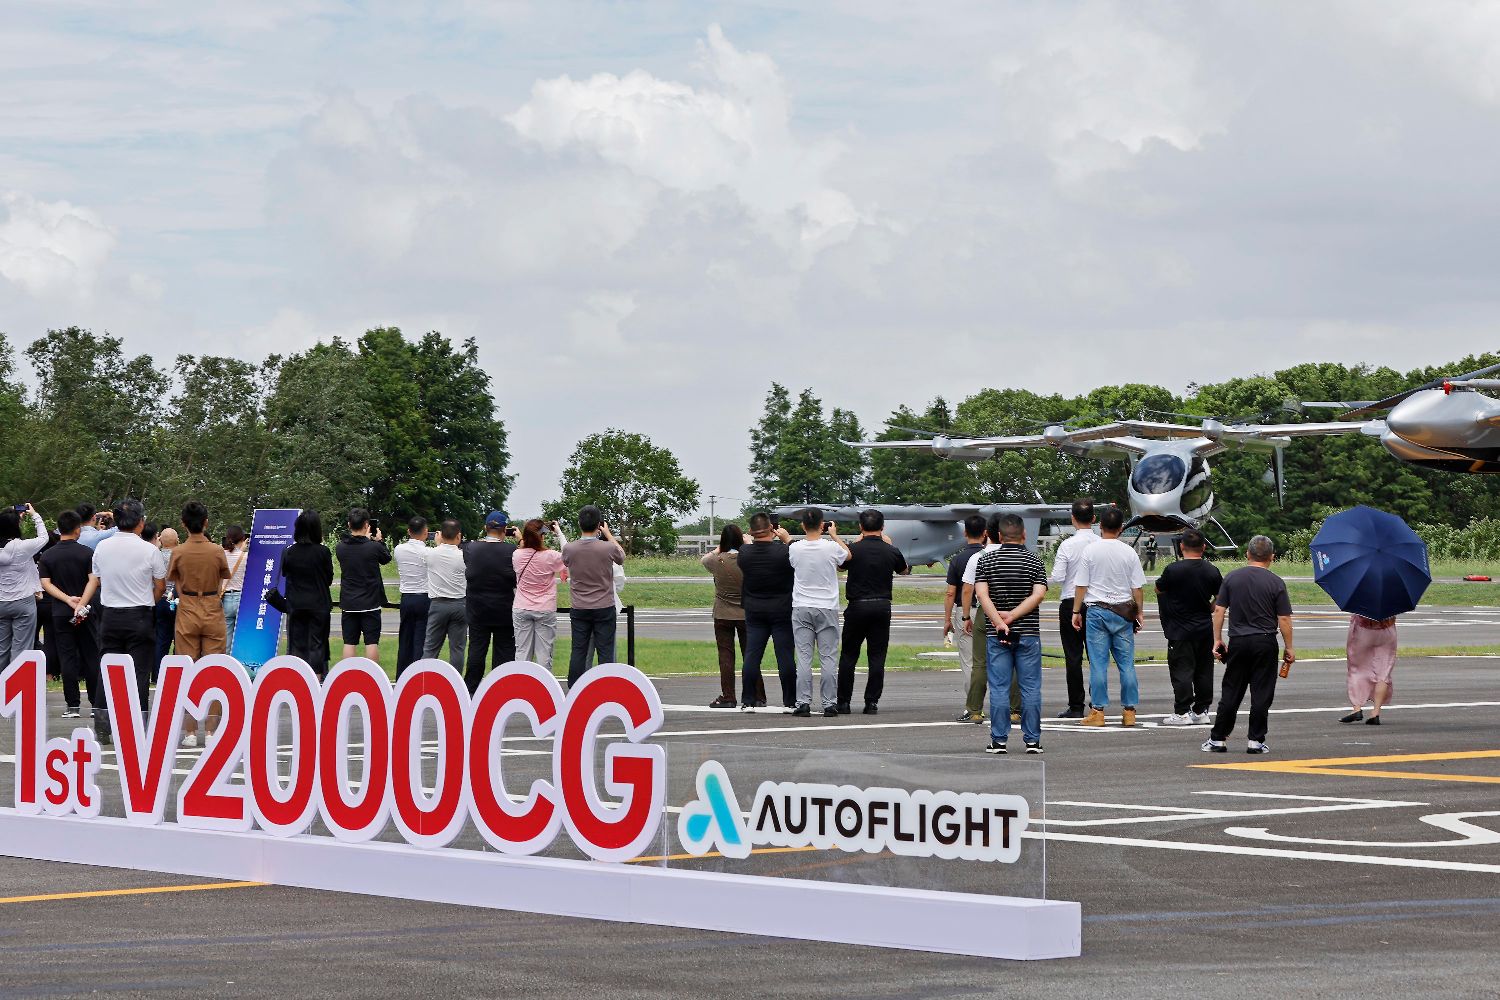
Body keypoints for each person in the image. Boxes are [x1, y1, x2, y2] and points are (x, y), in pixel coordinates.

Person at [1203, 535, 1294, 755]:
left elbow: (1219, 610)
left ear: (1247, 554)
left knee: (1232, 690)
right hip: (1265, 640)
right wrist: (1289, 646)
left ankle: (1218, 738)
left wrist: (1217, 639)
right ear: (1272, 557)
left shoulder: (1232, 578)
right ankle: (1255, 739)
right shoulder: (1276, 582)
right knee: (1262, 692)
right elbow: (1283, 618)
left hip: (1239, 640)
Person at [76, 500, 164, 709]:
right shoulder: (149, 550)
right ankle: (137, 719)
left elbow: (96, 578)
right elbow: (160, 586)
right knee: (139, 672)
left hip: (110, 616)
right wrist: (149, 602)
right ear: (140, 522)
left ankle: (103, 720)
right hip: (140, 615)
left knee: (108, 669)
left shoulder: (102, 547)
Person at [974, 513, 1049, 754]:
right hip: (1028, 632)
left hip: (997, 634)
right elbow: (1038, 595)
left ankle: (999, 740)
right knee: (1030, 687)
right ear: (1023, 534)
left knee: (999, 687)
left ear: (998, 536)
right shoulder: (1034, 561)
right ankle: (1032, 740)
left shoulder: (986, 561)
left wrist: (999, 622)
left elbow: (982, 595)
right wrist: (1014, 616)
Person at [1073, 506, 1146, 728]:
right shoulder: (1129, 552)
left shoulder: (1090, 551)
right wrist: (1139, 612)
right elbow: (1137, 587)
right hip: (1123, 612)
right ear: (1121, 528)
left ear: (1100, 526)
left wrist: (1076, 611)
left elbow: (1081, 584)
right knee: (1127, 664)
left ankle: (1098, 711)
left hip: (1097, 611)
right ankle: (1129, 710)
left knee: (1098, 664)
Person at [38, 510, 107, 736]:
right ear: (78, 529)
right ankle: (96, 705)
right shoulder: (87, 553)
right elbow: (94, 580)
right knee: (91, 655)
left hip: (60, 611)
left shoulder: (48, 555)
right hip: (85, 611)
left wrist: (67, 600)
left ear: (59, 529)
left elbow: (45, 583)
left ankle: (72, 705)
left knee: (67, 656)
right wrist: (81, 603)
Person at [166, 503, 230, 748]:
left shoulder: (179, 551)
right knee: (214, 670)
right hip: (212, 606)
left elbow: (174, 580)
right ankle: (212, 730)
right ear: (206, 522)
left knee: (187, 670)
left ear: (183, 524)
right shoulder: (216, 550)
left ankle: (190, 731)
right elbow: (223, 576)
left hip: (188, 608)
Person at [836, 509, 909, 715]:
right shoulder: (890, 550)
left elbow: (841, 567)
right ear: (882, 527)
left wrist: (855, 542)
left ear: (860, 527)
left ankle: (843, 701)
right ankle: (871, 702)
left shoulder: (853, 549)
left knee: (849, 655)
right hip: (882, 605)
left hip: (857, 605)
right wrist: (890, 545)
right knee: (877, 656)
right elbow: (904, 569)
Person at [1155, 527, 1222, 726]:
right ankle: (1201, 710)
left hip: (1179, 629)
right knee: (1204, 670)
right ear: (1203, 547)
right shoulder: (1212, 570)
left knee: (1182, 670)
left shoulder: (1173, 570)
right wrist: (1210, 607)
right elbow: (1221, 597)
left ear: (1181, 546)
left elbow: (1158, 588)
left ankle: (1182, 711)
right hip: (1203, 627)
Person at [787, 507, 849, 718]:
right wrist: (834, 535)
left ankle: (803, 702)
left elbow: (793, 563)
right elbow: (848, 556)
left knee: (804, 657)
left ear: (803, 525)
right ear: (822, 525)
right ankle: (829, 703)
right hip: (827, 606)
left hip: (802, 606)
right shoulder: (831, 547)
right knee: (828, 657)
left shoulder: (795, 548)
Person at [962, 519, 1020, 723]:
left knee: (980, 663)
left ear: (988, 533)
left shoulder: (978, 558)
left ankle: (975, 709)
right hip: (1012, 612)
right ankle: (1015, 709)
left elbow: (968, 589)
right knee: (1013, 662)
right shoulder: (1017, 557)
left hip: (985, 613)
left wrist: (966, 616)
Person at [737, 512, 796, 711]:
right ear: (771, 528)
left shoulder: (745, 552)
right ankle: (790, 701)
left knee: (752, 655)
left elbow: (746, 550)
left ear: (751, 531)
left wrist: (747, 543)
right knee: (785, 655)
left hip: (754, 609)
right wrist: (787, 539)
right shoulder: (784, 551)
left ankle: (748, 700)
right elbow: (798, 555)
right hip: (782, 608)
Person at [561, 505, 625, 685]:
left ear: (579, 523)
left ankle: (575, 686)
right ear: (599, 525)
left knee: (579, 650)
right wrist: (608, 534)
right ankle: (606, 686)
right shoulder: (607, 548)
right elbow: (621, 556)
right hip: (604, 606)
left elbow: (565, 561)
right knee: (605, 651)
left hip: (580, 607)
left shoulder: (570, 548)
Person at [1048, 499, 1098, 719]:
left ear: (1073, 519)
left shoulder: (1067, 545)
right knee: (1096, 657)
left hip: (1070, 602)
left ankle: (1076, 705)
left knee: (1073, 656)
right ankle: (1097, 703)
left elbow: (1058, 576)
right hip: (1096, 603)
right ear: (1094, 519)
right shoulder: (1100, 543)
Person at [464, 512, 518, 693]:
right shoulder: (511, 550)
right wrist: (520, 540)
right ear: (505, 529)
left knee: (476, 651)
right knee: (504, 653)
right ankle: (500, 690)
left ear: (485, 528)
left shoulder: (471, 548)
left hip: (477, 609)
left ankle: (470, 690)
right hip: (503, 608)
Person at [702, 524, 754, 709]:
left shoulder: (717, 560)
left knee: (726, 656)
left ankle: (728, 696)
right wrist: (748, 544)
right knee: (750, 655)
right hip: (746, 612)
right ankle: (756, 695)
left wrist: (720, 547)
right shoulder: (748, 559)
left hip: (723, 612)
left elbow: (704, 560)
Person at [945, 515, 988, 724]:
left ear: (965, 533)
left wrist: (948, 619)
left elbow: (951, 592)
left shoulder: (958, 559)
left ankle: (974, 707)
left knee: (970, 661)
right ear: (985, 533)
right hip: (993, 611)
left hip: (967, 611)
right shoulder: (990, 555)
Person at [281, 510, 334, 677]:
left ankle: (298, 679)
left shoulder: (288, 551)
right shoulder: (323, 552)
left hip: (296, 604)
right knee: (317, 644)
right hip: (319, 603)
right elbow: (328, 579)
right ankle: (316, 680)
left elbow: (285, 573)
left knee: (297, 645)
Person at [513, 518, 568, 672]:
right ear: (542, 536)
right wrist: (559, 532)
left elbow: (526, 549)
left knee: (522, 652)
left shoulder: (516, 555)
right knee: (544, 654)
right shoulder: (550, 556)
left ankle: (520, 682)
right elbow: (569, 555)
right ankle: (543, 684)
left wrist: (521, 540)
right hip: (544, 607)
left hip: (521, 606)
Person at [335, 509, 390, 661]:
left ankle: (348, 673)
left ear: (349, 524)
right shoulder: (373, 547)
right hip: (370, 601)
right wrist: (378, 541)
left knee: (349, 642)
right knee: (371, 642)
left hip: (349, 601)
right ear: (367, 525)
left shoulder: (340, 547)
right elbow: (386, 558)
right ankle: (373, 674)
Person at [0, 504, 48, 666]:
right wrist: (35, 515)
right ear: (16, 527)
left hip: (1, 602)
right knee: (21, 649)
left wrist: (8, 515)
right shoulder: (22, 547)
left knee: (2, 649)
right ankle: (16, 680)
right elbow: (43, 537)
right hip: (23, 601)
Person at [423, 519, 468, 673]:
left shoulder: (430, 553)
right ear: (459, 536)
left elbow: (433, 556)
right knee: (457, 648)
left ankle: (425, 680)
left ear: (441, 535)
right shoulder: (464, 555)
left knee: (430, 647)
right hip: (460, 604)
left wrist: (438, 544)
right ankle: (456, 681)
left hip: (438, 604)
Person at [393, 516, 431, 676]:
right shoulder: (429, 552)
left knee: (405, 639)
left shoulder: (399, 549)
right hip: (424, 597)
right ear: (426, 532)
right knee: (420, 640)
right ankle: (418, 675)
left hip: (407, 597)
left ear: (409, 531)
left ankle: (402, 674)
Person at [1342, 615, 1398, 725]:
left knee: (1357, 669)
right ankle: (1375, 712)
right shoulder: (1393, 603)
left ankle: (1357, 708)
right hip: (1387, 631)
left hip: (1363, 630)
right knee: (1383, 673)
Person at [151, 526, 180, 678]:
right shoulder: (181, 556)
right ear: (177, 540)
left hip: (159, 600)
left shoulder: (155, 555)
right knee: (179, 640)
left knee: (161, 639)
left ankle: (157, 674)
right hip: (178, 600)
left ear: (161, 540)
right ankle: (176, 674)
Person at [221, 524, 248, 650]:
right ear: (242, 538)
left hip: (225, 598)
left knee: (226, 639)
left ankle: (226, 661)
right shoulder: (245, 557)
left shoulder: (221, 555)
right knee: (242, 637)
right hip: (241, 598)